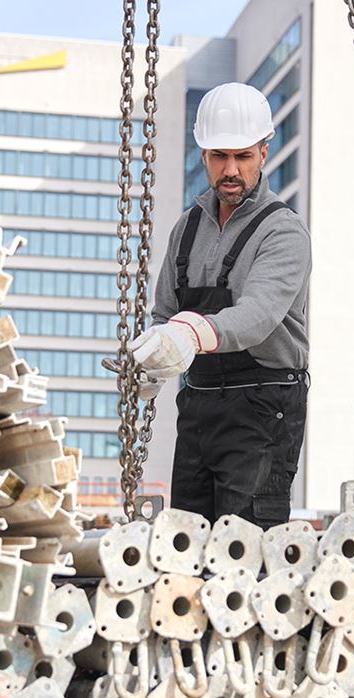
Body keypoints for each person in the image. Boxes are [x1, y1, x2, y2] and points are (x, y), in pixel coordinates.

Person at [128, 82, 311, 529]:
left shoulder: (283, 232)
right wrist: (155, 358)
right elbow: (164, 312)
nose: (231, 169)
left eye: (243, 156)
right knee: (185, 545)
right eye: (218, 156)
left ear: (264, 153)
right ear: (204, 155)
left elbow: (256, 317)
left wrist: (186, 334)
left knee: (244, 552)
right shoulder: (187, 229)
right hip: (199, 409)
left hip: (263, 409)